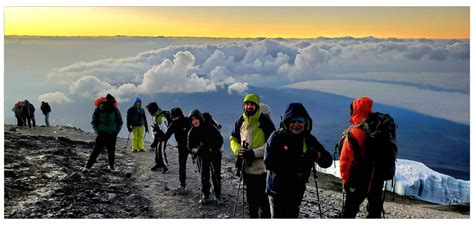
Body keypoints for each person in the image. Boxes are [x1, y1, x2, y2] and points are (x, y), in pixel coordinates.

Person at [264, 103, 332, 218]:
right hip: (277, 190)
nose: (296, 125)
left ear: (305, 123)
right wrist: (301, 160)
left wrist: (318, 155)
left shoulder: (309, 139)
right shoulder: (277, 137)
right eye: (293, 121)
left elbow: (327, 161)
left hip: (296, 190)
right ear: (287, 122)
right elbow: (269, 163)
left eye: (300, 121)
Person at [229, 94, 275, 218]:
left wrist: (254, 153)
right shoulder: (241, 121)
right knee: (251, 203)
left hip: (263, 170)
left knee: (264, 204)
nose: (249, 106)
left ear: (256, 106)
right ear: (244, 105)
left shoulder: (265, 122)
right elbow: (233, 138)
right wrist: (238, 151)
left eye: (252, 104)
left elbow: (273, 144)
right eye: (247, 104)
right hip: (247, 170)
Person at [339, 97, 385, 218]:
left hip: (358, 178)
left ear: (355, 110)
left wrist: (345, 180)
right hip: (376, 177)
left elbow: (346, 159)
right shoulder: (378, 127)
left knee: (350, 210)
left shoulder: (355, 132)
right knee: (374, 210)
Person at [188, 109, 224, 204]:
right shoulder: (192, 132)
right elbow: (189, 147)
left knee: (216, 175)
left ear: (200, 118)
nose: (194, 121)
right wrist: (197, 150)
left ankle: (218, 195)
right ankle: (206, 195)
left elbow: (220, 140)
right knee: (204, 175)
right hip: (202, 156)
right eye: (192, 120)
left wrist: (211, 148)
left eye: (196, 119)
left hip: (215, 155)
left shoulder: (211, 128)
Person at [83, 94, 123, 172]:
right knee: (97, 151)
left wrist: (116, 132)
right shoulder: (99, 109)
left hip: (111, 134)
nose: (112, 103)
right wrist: (99, 131)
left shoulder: (114, 110)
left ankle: (110, 166)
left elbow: (120, 122)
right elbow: (94, 122)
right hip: (103, 134)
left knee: (110, 152)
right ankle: (88, 166)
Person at [161, 107, 191, 192]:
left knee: (199, 165)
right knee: (182, 166)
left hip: (192, 146)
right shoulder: (173, 124)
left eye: (175, 117)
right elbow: (166, 136)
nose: (174, 118)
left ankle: (206, 186)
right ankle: (182, 184)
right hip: (182, 147)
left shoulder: (187, 120)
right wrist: (160, 134)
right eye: (173, 117)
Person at [146, 102, 169, 173]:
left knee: (161, 151)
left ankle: (165, 167)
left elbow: (165, 130)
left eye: (149, 110)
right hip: (159, 137)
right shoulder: (155, 116)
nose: (149, 112)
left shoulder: (160, 118)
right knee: (157, 150)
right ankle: (158, 165)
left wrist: (159, 133)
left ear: (152, 110)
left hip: (163, 138)